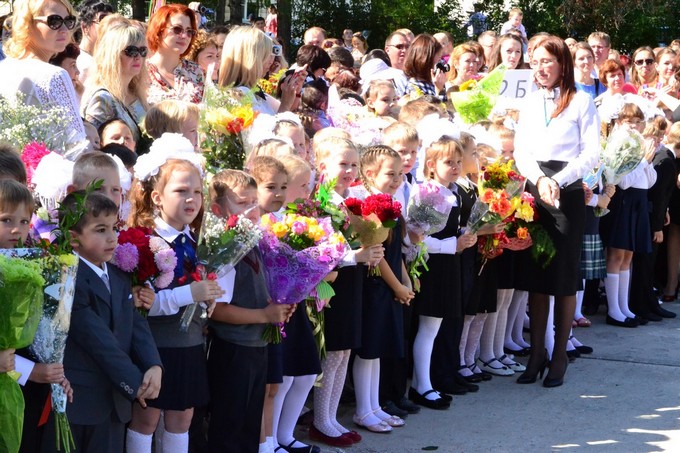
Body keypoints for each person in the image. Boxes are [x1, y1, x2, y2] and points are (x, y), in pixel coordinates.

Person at [126, 138, 222, 453]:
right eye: (181, 191)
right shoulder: (146, 242)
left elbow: (195, 289)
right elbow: (146, 306)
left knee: (182, 418)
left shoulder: (194, 240)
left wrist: (208, 297)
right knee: (147, 418)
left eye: (196, 191)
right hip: (155, 347)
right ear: (157, 197)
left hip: (189, 344)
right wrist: (189, 293)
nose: (191, 199)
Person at [514, 35, 599, 388]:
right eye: (535, 61)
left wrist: (558, 180)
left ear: (562, 63)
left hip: (567, 191)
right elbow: (521, 149)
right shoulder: (531, 102)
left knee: (563, 276)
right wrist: (538, 179)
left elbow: (591, 153)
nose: (540, 67)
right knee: (537, 275)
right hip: (537, 190)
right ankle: (537, 353)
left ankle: (559, 354)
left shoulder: (581, 100)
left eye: (547, 61)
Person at [50, 191, 162, 453]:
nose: (112, 237)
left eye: (114, 228)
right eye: (100, 229)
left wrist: (153, 365)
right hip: (79, 401)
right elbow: (99, 341)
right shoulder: (69, 279)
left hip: (114, 404)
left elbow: (137, 326)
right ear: (73, 238)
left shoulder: (119, 275)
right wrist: (136, 384)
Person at [206, 169, 295, 452]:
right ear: (218, 210)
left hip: (256, 345)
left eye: (254, 202)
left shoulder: (249, 241)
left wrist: (278, 306)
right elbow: (217, 310)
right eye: (243, 203)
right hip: (233, 350)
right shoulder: (223, 250)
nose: (253, 210)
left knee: (248, 423)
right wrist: (264, 315)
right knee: (229, 427)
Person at [310, 137, 384, 447]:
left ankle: (331, 417)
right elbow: (322, 250)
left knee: (344, 353)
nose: (350, 171)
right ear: (322, 166)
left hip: (352, 281)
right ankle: (320, 420)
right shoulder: (320, 202)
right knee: (333, 351)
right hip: (332, 281)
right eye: (343, 164)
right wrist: (356, 255)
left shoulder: (351, 198)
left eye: (354, 165)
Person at [409, 137, 478, 409]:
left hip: (449, 265)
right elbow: (417, 238)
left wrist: (464, 235)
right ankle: (421, 385)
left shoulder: (455, 192)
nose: (456, 167)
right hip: (432, 266)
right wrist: (453, 244)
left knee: (435, 327)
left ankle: (427, 381)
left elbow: (449, 228)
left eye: (459, 162)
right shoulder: (426, 192)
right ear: (431, 165)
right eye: (449, 162)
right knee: (427, 328)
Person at [350, 146, 414, 433]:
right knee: (369, 350)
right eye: (390, 173)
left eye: (400, 173)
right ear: (369, 173)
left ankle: (374, 406)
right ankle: (363, 410)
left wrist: (407, 280)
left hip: (390, 285)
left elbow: (395, 250)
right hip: (374, 285)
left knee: (379, 352)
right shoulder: (365, 206)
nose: (397, 179)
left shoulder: (389, 200)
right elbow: (376, 253)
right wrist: (397, 285)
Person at [1, 0, 87, 160]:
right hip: (50, 178)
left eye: (69, 21)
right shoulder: (54, 75)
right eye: (54, 21)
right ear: (27, 24)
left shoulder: (3, 68)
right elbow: (77, 146)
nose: (64, 29)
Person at [600, 104, 657, 328]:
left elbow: (650, 181)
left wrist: (647, 162)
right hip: (624, 202)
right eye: (628, 121)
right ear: (620, 122)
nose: (633, 125)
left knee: (628, 257)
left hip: (639, 202)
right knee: (616, 255)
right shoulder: (619, 144)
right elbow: (622, 181)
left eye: (637, 121)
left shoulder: (637, 144)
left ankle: (624, 308)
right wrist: (642, 160)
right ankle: (613, 310)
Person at [630, 117, 677, 321]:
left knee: (647, 264)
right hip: (650, 218)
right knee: (645, 264)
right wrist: (657, 227)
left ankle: (648, 303)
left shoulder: (666, 158)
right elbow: (657, 197)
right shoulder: (666, 160)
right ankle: (642, 305)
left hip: (652, 216)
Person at [81, 18, 149, 146]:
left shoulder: (137, 93)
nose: (138, 56)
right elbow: (94, 148)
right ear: (113, 54)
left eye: (143, 51)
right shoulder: (102, 98)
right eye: (132, 51)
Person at [219, 26, 304, 115]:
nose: (271, 61)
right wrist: (285, 104)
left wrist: (295, 91)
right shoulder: (240, 94)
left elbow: (288, 111)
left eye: (272, 54)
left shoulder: (253, 91)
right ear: (250, 58)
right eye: (265, 55)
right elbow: (276, 127)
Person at [147, 4, 205, 104]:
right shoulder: (141, 72)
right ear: (159, 30)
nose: (184, 36)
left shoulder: (195, 71)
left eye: (189, 32)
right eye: (177, 29)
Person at [76, 0, 113, 84]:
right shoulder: (77, 63)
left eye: (112, 22)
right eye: (103, 21)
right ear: (85, 27)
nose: (109, 27)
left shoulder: (110, 60)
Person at [403, 34, 446, 101]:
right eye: (439, 58)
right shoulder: (414, 87)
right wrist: (439, 90)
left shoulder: (432, 83)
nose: (440, 62)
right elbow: (431, 110)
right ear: (427, 59)